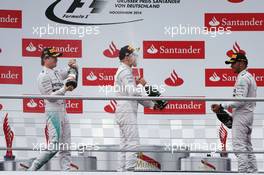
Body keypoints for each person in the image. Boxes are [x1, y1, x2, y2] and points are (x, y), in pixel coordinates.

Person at [28, 48, 78, 171]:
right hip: (53, 112)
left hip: (63, 110)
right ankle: (32, 169)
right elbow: (49, 97)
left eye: (57, 56)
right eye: (54, 57)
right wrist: (64, 89)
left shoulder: (55, 72)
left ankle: (65, 171)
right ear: (46, 59)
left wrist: (74, 65)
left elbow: (70, 73)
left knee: (66, 145)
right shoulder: (43, 76)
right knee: (54, 146)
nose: (57, 59)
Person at [114, 45, 161, 172]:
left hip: (125, 111)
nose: (136, 58)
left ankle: (122, 171)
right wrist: (141, 85)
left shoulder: (126, 70)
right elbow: (133, 93)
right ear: (127, 57)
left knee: (125, 144)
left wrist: (151, 105)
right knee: (133, 143)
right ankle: (129, 171)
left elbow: (134, 95)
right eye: (134, 55)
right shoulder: (125, 71)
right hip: (126, 112)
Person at [211, 53, 257, 173]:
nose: (231, 66)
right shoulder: (249, 76)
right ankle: (253, 173)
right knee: (247, 148)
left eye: (233, 63)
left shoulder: (243, 78)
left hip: (242, 117)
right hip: (246, 115)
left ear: (242, 63)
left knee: (239, 148)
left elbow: (239, 101)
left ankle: (243, 173)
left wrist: (221, 106)